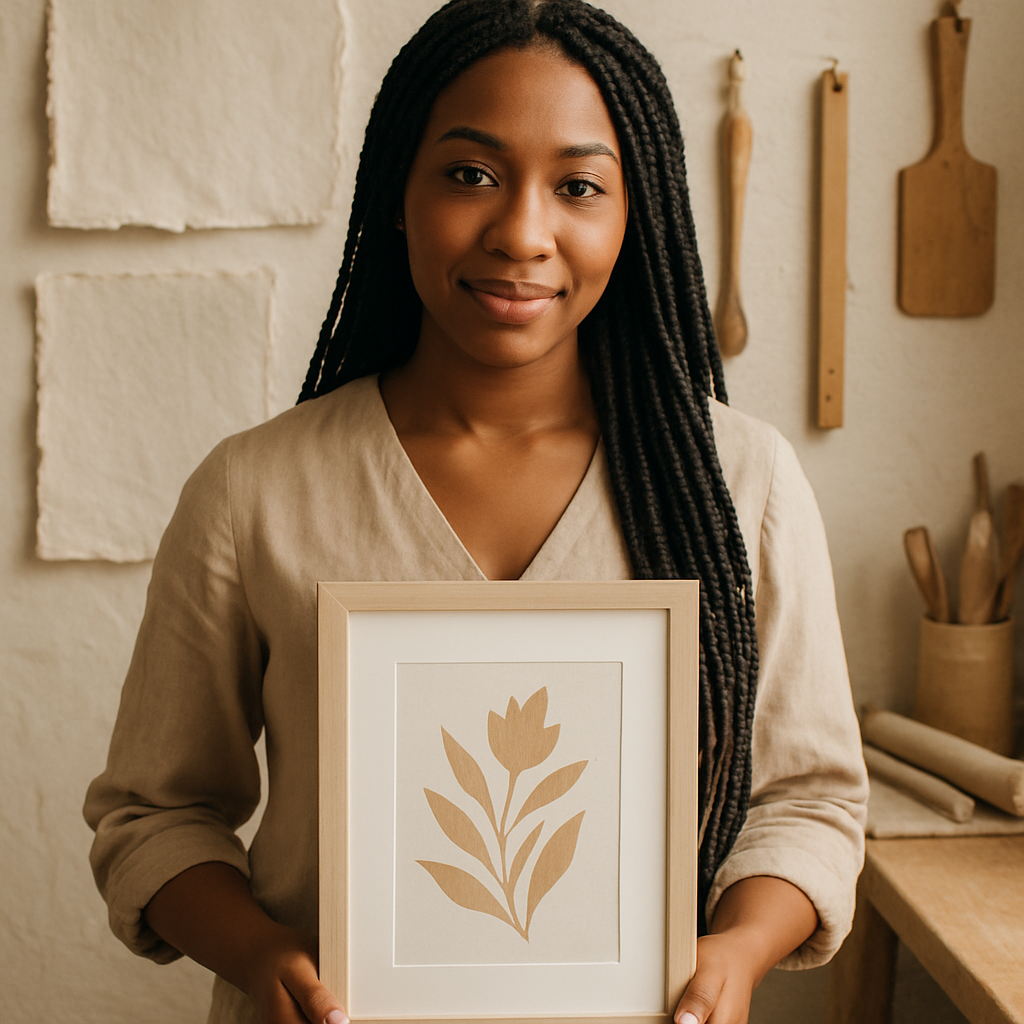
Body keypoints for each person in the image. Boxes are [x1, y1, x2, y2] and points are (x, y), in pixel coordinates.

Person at [84, 2, 868, 1023]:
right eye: (470, 174)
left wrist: (738, 950)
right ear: (397, 195)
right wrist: (262, 951)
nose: (521, 232)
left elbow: (807, 802)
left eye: (578, 186)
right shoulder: (252, 491)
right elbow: (156, 813)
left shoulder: (741, 483)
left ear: (637, 217)